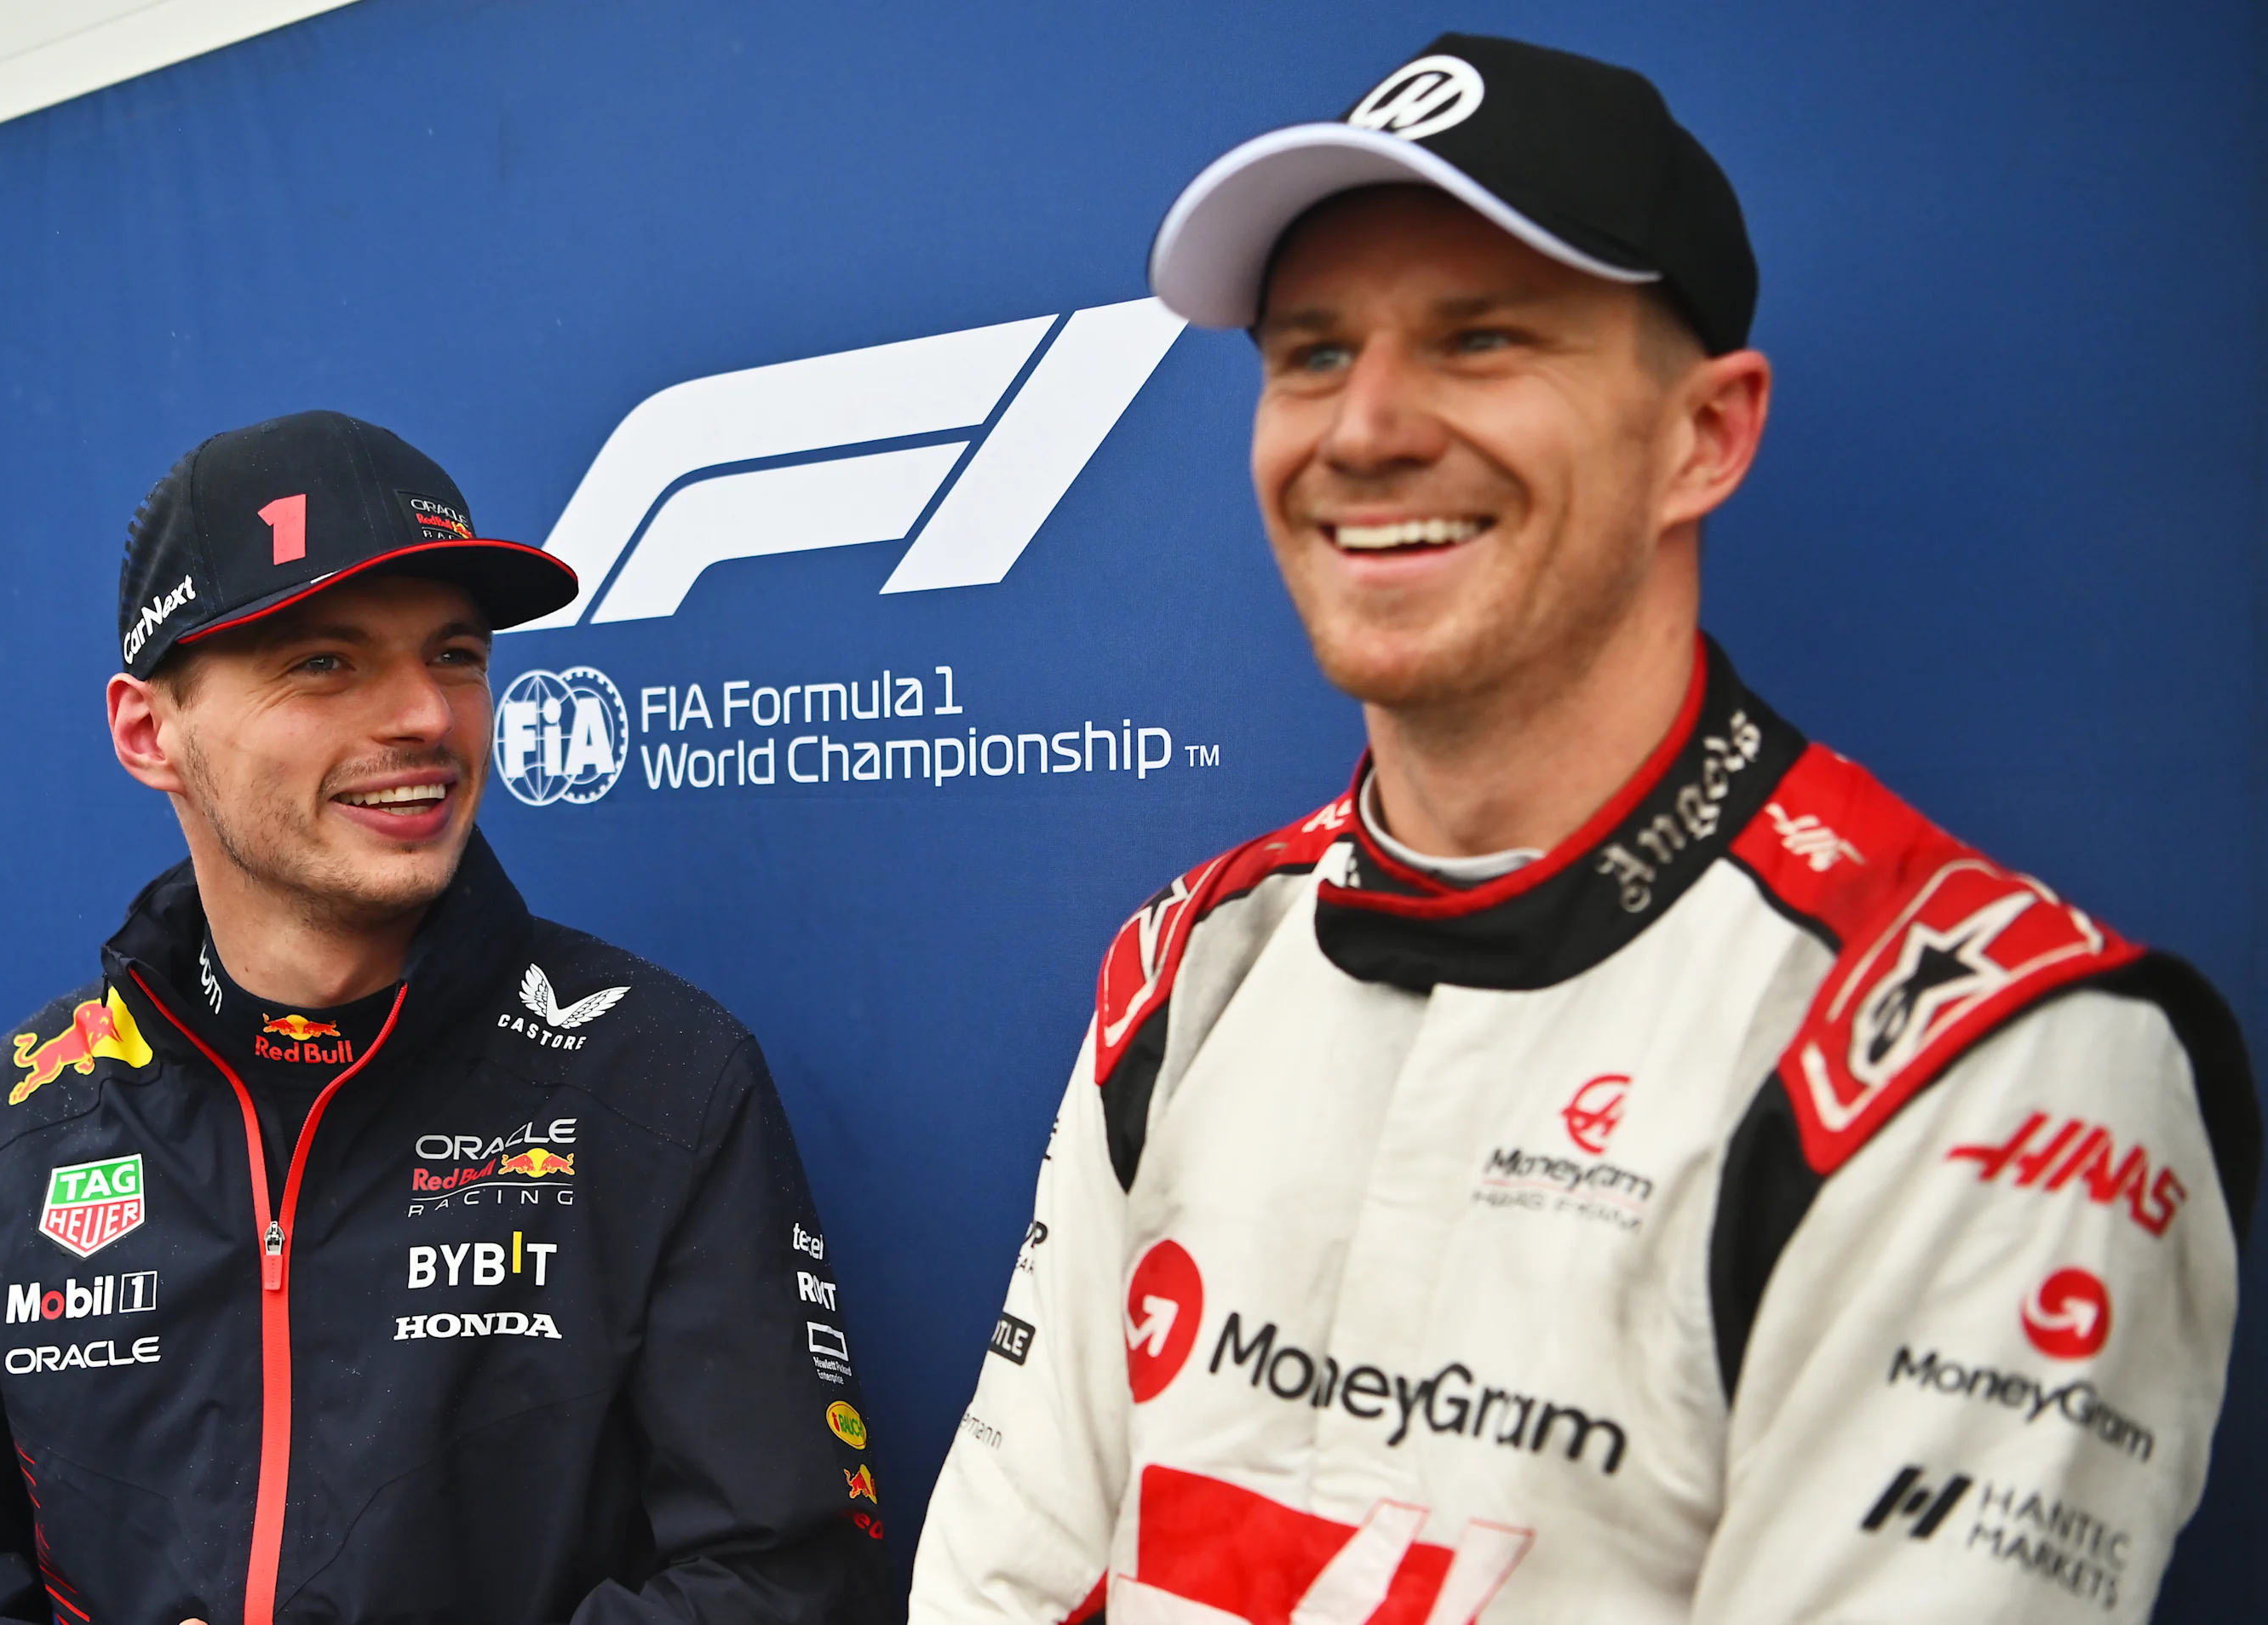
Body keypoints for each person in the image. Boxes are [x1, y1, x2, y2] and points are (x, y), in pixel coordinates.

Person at [913, 35, 2257, 1625]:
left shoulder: (1995, 1060)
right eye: (1312, 353)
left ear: (1707, 435)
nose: (1365, 428)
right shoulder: (1190, 968)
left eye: (1482, 341)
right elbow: (999, 1585)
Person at [0, 411, 892, 1625]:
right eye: (327, 662)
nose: (425, 714)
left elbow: (781, 1580)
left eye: (457, 655)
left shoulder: (660, 1080)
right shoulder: (6, 1130)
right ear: (151, 734)